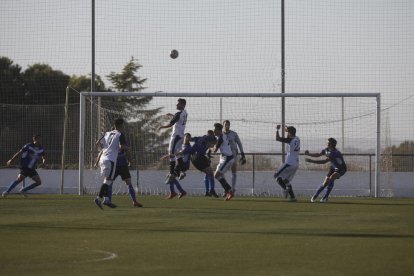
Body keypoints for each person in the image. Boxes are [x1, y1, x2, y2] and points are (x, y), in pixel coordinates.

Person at [96, 138, 143, 208]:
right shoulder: (114, 141)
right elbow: (101, 150)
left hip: (121, 165)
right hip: (116, 165)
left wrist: (130, 161)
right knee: (111, 183)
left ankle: (134, 201)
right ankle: (107, 200)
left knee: (126, 183)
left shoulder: (115, 141)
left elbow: (127, 151)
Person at [94, 118, 127, 209]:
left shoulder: (107, 133)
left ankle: (105, 199)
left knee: (107, 180)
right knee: (108, 181)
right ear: (121, 125)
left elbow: (97, 143)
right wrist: (126, 148)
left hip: (102, 158)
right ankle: (99, 198)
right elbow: (122, 147)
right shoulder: (120, 134)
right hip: (110, 159)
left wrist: (105, 149)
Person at [304, 137, 347, 203]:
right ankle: (315, 196)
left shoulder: (335, 153)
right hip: (333, 167)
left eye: (328, 143)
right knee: (325, 183)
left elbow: (324, 161)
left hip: (341, 168)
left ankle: (325, 197)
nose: (327, 143)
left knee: (332, 177)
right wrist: (308, 154)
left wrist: (311, 161)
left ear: (332, 144)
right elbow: (318, 154)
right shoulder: (326, 149)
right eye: (327, 142)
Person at [158, 98, 188, 182]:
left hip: (176, 136)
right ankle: (182, 171)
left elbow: (170, 124)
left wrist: (161, 127)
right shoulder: (185, 113)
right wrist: (172, 115)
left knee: (171, 153)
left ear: (182, 105)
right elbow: (178, 119)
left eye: (178, 104)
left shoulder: (178, 114)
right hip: (181, 136)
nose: (176, 105)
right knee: (177, 154)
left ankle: (172, 173)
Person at [160, 133, 191, 199]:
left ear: (189, 139)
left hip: (184, 166)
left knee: (171, 177)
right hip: (179, 165)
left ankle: (176, 192)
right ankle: (176, 192)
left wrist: (167, 156)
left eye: (188, 137)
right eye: (185, 137)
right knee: (170, 176)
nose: (186, 138)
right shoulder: (182, 145)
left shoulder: (187, 147)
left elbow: (178, 154)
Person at [274, 125, 300, 202]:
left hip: (289, 163)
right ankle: (293, 197)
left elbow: (277, 138)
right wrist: (287, 129)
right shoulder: (297, 138)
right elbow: (290, 133)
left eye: (287, 132)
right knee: (285, 180)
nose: (287, 133)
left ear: (290, 133)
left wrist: (277, 129)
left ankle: (285, 190)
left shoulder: (290, 140)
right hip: (296, 164)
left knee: (276, 175)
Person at [210, 123, 235, 201]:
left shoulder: (220, 137)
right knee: (219, 175)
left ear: (219, 130)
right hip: (225, 158)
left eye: (215, 129)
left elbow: (214, 151)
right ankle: (227, 191)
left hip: (227, 158)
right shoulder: (222, 135)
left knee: (217, 175)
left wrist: (210, 147)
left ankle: (229, 191)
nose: (214, 131)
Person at [223, 120, 246, 194]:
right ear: (223, 125)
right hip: (224, 154)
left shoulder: (233, 134)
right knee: (221, 172)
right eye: (225, 124)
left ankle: (232, 189)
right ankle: (226, 188)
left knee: (234, 171)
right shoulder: (221, 134)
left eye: (228, 124)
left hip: (233, 154)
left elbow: (239, 143)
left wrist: (242, 153)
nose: (227, 125)